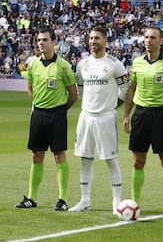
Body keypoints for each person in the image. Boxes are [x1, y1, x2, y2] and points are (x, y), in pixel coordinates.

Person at [122, 26, 163, 219]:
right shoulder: (137, 63)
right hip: (140, 115)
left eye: (153, 37)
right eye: (146, 37)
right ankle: (134, 204)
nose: (148, 40)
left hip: (160, 115)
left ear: (161, 41)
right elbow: (131, 89)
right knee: (138, 161)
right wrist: (126, 116)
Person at [69, 26, 130, 214]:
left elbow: (126, 91)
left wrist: (112, 106)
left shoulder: (114, 64)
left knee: (111, 160)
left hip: (106, 118)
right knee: (85, 160)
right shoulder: (82, 65)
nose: (93, 41)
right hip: (86, 117)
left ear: (105, 41)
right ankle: (85, 200)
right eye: (91, 38)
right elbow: (80, 87)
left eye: (97, 38)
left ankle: (116, 202)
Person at [15, 28, 77, 211]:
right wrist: (37, 103)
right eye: (39, 40)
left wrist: (60, 110)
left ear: (53, 42)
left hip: (57, 114)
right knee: (36, 155)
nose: (41, 43)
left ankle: (63, 199)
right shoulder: (33, 64)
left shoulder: (63, 66)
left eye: (45, 40)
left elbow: (73, 95)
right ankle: (32, 198)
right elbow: (30, 87)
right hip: (38, 114)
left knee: (59, 156)